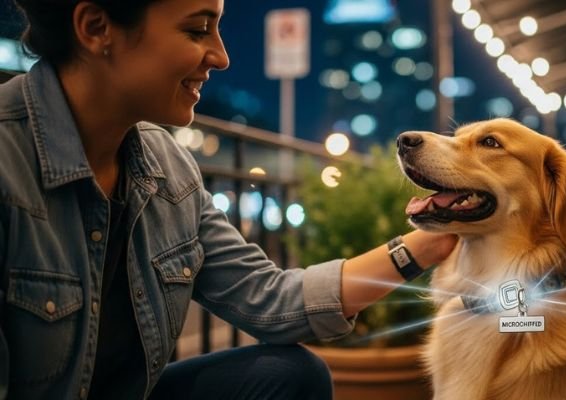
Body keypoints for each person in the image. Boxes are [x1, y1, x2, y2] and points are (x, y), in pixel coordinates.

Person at [0, 1, 458, 399]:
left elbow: (271, 301)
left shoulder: (167, 167)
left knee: (292, 376)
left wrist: (424, 246)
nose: (221, 56)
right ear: (96, 28)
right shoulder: (8, 157)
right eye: (197, 29)